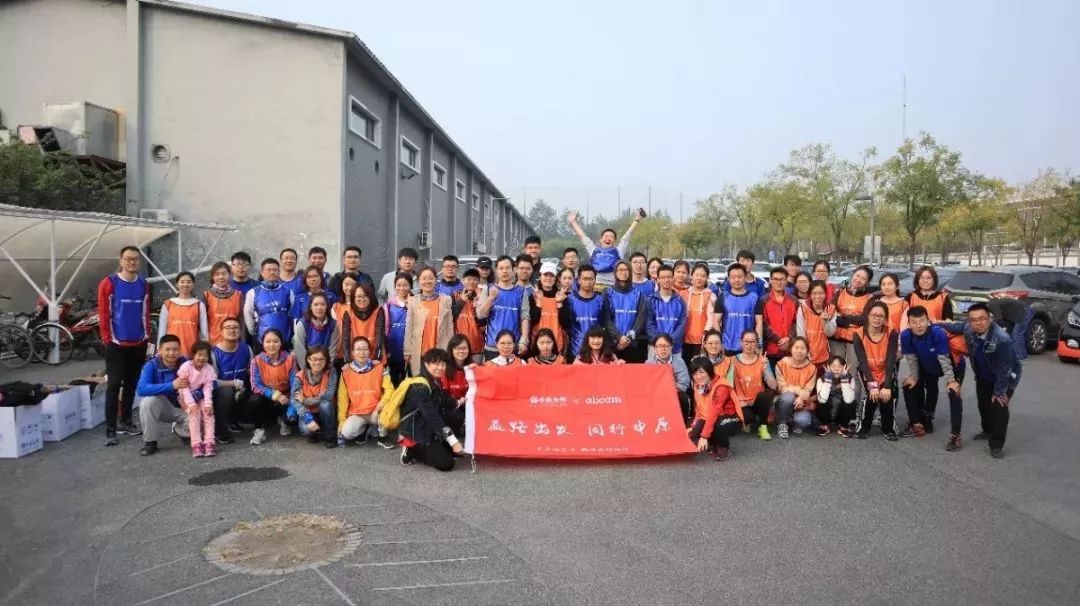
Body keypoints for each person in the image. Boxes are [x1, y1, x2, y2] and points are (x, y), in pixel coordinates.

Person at [938, 303, 1022, 458]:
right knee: (983, 404)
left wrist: (999, 391)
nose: (978, 323)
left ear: (989, 318)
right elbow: (954, 326)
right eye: (974, 319)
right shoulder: (968, 328)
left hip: (1006, 376)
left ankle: (996, 444)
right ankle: (987, 430)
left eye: (982, 318)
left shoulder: (1002, 339)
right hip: (983, 373)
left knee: (999, 405)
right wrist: (932, 324)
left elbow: (1005, 368)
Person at [98, 246, 152, 445]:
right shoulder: (109, 283)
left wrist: (147, 337)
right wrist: (108, 339)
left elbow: (145, 312)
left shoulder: (143, 284)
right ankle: (111, 429)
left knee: (131, 384)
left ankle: (126, 421)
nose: (132, 262)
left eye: (135, 259)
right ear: (121, 261)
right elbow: (104, 313)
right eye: (128, 259)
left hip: (138, 343)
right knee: (113, 386)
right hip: (116, 343)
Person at [900, 306, 962, 447]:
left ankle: (955, 434)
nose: (919, 325)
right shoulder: (906, 336)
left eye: (922, 321)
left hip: (953, 365)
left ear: (928, 320)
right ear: (908, 324)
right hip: (927, 364)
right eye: (914, 322)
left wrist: (951, 381)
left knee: (954, 394)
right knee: (910, 385)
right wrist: (914, 377)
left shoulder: (937, 333)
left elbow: (944, 360)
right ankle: (918, 422)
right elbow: (911, 359)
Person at [398, 349, 464, 471]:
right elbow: (432, 416)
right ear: (426, 364)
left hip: (427, 425)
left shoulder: (434, 381)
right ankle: (411, 449)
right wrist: (453, 441)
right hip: (417, 429)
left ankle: (440, 444)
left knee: (457, 416)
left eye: (443, 364)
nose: (440, 368)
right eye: (436, 364)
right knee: (446, 464)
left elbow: (446, 400)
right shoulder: (419, 386)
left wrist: (460, 401)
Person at [852, 301, 900, 441]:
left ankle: (888, 428)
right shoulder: (858, 334)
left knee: (886, 396)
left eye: (881, 316)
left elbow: (891, 361)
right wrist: (873, 385)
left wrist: (886, 386)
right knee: (872, 397)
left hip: (885, 369)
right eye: (874, 315)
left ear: (885, 318)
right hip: (868, 371)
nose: (877, 318)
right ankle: (864, 427)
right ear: (868, 315)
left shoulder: (891, 332)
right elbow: (862, 361)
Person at [135, 334, 189, 456]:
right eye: (167, 349)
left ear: (180, 350)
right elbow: (141, 389)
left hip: (185, 407)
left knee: (201, 425)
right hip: (164, 407)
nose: (171, 353)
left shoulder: (186, 363)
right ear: (160, 350)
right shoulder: (151, 365)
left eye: (175, 349)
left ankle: (180, 430)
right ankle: (150, 441)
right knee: (148, 402)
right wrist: (172, 385)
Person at [337, 336, 394, 448]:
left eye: (365, 349)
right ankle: (365, 429)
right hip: (357, 413)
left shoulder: (379, 367)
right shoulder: (346, 371)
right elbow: (342, 398)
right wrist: (341, 420)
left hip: (376, 411)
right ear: (353, 352)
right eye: (358, 349)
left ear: (369, 351)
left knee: (387, 413)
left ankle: (383, 437)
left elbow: (390, 390)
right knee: (347, 433)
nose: (362, 353)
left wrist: (382, 404)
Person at [567, 208, 644, 286]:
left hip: (612, 285)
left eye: (611, 237)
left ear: (615, 241)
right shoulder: (593, 250)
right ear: (601, 239)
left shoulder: (619, 251)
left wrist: (636, 220)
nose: (608, 239)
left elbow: (627, 236)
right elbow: (583, 237)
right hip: (595, 285)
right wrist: (573, 222)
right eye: (606, 236)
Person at [724, 330, 778, 441]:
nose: (749, 345)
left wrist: (766, 369)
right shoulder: (733, 360)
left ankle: (763, 426)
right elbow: (728, 386)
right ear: (741, 342)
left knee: (767, 395)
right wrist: (737, 401)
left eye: (753, 342)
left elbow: (773, 386)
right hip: (742, 402)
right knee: (748, 418)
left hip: (757, 401)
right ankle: (749, 420)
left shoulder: (762, 360)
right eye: (746, 341)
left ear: (757, 343)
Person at [248, 329, 297, 445]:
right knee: (254, 400)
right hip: (267, 397)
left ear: (281, 343)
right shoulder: (256, 361)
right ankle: (259, 429)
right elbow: (255, 386)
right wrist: (275, 394)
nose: (271, 345)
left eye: (275, 341)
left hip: (286, 397)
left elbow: (295, 384)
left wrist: (290, 402)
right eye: (268, 341)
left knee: (292, 420)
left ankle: (283, 420)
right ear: (262, 343)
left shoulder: (290, 359)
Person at [686, 357, 740, 461]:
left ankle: (723, 446)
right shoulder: (698, 386)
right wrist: (693, 426)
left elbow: (713, 413)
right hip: (711, 416)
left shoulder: (720, 386)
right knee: (693, 432)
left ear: (709, 371)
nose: (698, 376)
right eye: (695, 374)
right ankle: (713, 443)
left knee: (719, 424)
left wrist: (704, 436)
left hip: (730, 417)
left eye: (701, 372)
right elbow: (699, 409)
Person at [477, 256, 530, 359]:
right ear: (496, 270)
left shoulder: (521, 292)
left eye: (507, 268)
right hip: (492, 347)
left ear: (514, 270)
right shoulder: (488, 289)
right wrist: (490, 299)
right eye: (501, 268)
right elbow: (480, 315)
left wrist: (524, 340)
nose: (504, 271)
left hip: (513, 347)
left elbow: (525, 317)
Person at [404, 266, 454, 376]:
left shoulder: (445, 300)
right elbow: (409, 328)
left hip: (440, 349)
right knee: (420, 380)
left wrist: (450, 349)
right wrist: (407, 351)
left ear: (436, 280)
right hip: (419, 351)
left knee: (439, 380)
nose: (427, 281)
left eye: (431, 278)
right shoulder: (413, 301)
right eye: (424, 278)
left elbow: (449, 326)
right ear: (418, 281)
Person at [830, 265, 874, 387]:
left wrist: (843, 318)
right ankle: (836, 397)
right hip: (836, 338)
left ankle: (852, 398)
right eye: (857, 276)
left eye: (863, 278)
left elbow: (865, 319)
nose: (858, 280)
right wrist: (850, 320)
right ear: (853, 275)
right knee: (836, 371)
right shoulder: (840, 292)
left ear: (867, 282)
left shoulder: (869, 298)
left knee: (852, 373)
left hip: (855, 340)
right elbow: (831, 313)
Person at [210, 317, 251, 443]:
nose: (232, 330)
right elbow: (211, 382)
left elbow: (252, 373)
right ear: (221, 332)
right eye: (228, 328)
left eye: (235, 328)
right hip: (220, 392)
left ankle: (235, 421)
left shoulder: (247, 349)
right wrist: (232, 383)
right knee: (227, 392)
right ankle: (220, 431)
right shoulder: (213, 353)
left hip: (241, 390)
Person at [290, 345, 337, 448]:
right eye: (314, 359)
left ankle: (330, 435)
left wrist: (305, 401)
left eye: (321, 359)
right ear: (308, 359)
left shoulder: (331, 372)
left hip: (324, 410)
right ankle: (315, 433)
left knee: (326, 404)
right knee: (306, 430)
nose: (318, 362)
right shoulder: (300, 376)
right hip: (308, 411)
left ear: (326, 360)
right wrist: (308, 419)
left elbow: (328, 396)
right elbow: (295, 400)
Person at [176, 340, 217, 457]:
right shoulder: (186, 367)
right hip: (186, 396)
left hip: (200, 395)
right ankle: (196, 444)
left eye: (205, 355)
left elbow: (208, 388)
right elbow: (184, 388)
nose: (202, 358)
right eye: (199, 354)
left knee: (208, 414)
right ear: (193, 354)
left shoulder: (209, 369)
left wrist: (208, 404)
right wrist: (191, 404)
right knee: (194, 414)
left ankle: (209, 442)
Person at [244, 258, 294, 348]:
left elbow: (292, 313)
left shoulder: (288, 292)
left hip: (284, 338)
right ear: (262, 272)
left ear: (279, 272)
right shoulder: (253, 292)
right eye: (269, 270)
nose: (272, 272)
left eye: (275, 270)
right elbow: (248, 315)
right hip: (262, 339)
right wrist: (254, 332)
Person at [773, 337, 818, 438]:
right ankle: (782, 424)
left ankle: (791, 421)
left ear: (807, 351)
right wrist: (798, 391)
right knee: (789, 396)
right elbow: (782, 388)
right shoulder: (781, 364)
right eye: (796, 347)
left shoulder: (812, 368)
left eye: (803, 348)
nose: (799, 351)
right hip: (784, 400)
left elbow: (808, 390)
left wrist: (801, 397)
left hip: (801, 403)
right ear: (790, 349)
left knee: (804, 421)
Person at [605, 261, 649, 363]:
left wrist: (628, 338)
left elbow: (641, 318)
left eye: (626, 270)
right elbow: (606, 319)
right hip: (613, 344)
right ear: (615, 272)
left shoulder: (638, 293)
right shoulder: (607, 293)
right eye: (620, 270)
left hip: (632, 344)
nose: (624, 273)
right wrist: (619, 337)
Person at [714, 263, 762, 355]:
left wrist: (759, 345)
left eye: (740, 277)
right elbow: (716, 321)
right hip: (727, 346)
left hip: (749, 347)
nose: (736, 280)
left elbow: (759, 323)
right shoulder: (723, 297)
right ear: (728, 279)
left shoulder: (754, 298)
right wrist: (719, 342)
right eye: (733, 277)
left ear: (745, 278)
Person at [757, 266, 799, 369]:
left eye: (782, 279)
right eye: (775, 279)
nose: (778, 282)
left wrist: (789, 338)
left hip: (790, 349)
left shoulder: (793, 300)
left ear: (786, 280)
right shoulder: (763, 300)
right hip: (770, 351)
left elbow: (796, 322)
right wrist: (779, 341)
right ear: (770, 280)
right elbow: (763, 323)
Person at [158, 271, 208, 356]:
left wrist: (204, 351)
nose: (185, 284)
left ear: (193, 285)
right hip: (171, 352)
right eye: (182, 282)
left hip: (192, 351)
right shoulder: (168, 304)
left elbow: (204, 333)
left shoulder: (199, 305)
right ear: (177, 284)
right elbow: (162, 331)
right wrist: (160, 349)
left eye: (189, 282)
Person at [565, 265, 608, 360]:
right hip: (575, 350)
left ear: (595, 280)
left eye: (591, 279)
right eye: (585, 279)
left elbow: (604, 325)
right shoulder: (570, 299)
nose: (588, 282)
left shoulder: (600, 300)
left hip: (596, 352)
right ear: (578, 280)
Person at [647, 333, 692, 423]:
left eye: (666, 346)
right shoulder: (649, 363)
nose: (663, 349)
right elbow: (646, 384)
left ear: (671, 347)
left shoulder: (679, 362)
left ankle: (682, 425)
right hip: (655, 394)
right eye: (660, 346)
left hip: (674, 392)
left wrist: (667, 390)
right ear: (655, 348)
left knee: (683, 398)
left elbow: (684, 383)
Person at [529, 262, 571, 358]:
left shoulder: (562, 296)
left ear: (555, 278)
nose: (548, 278)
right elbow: (532, 320)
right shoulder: (533, 296)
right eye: (545, 275)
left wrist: (559, 303)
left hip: (557, 345)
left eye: (551, 275)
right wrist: (539, 303)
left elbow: (566, 323)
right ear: (540, 277)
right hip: (537, 346)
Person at [339, 282, 386, 364]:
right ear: (353, 297)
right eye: (359, 296)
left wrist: (377, 358)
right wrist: (348, 361)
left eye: (365, 296)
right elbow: (346, 339)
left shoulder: (378, 311)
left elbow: (380, 337)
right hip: (355, 357)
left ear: (370, 297)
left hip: (375, 356)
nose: (362, 299)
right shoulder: (348, 312)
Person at [646, 265, 687, 356]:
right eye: (663, 277)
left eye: (669, 277)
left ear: (673, 278)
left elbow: (682, 324)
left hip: (675, 347)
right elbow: (649, 324)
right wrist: (660, 342)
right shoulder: (650, 300)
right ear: (658, 280)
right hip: (655, 346)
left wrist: (670, 341)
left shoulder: (680, 301)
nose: (666, 280)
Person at [680, 262, 717, 364]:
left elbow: (711, 318)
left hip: (701, 339)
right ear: (691, 275)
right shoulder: (683, 294)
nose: (699, 278)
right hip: (683, 338)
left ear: (707, 278)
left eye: (703, 276)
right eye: (697, 275)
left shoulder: (710, 295)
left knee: (699, 367)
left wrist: (706, 335)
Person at [796, 281, 837, 368]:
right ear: (810, 295)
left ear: (825, 294)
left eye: (821, 293)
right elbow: (801, 333)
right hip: (807, 355)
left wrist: (825, 322)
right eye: (814, 293)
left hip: (825, 355)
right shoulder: (803, 309)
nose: (818, 296)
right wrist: (805, 353)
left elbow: (830, 333)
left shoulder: (831, 309)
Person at [816, 356, 857, 436]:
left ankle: (844, 426)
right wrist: (828, 380)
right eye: (833, 366)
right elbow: (822, 400)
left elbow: (849, 400)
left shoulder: (850, 379)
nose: (836, 369)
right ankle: (824, 425)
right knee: (820, 400)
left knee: (851, 401)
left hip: (841, 413)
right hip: (827, 413)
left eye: (840, 366)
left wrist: (844, 381)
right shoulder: (821, 380)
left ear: (844, 367)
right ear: (828, 367)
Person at [204, 261, 244, 345]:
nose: (221, 277)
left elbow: (242, 321)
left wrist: (242, 342)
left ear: (230, 275)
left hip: (233, 342)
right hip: (213, 343)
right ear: (212, 277)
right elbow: (202, 322)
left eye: (224, 274)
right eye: (217, 274)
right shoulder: (206, 295)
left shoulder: (238, 295)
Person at [292, 293, 336, 368]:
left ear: (327, 306)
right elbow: (299, 349)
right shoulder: (302, 324)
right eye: (315, 305)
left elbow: (332, 350)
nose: (319, 308)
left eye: (322, 304)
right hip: (307, 365)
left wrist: (326, 368)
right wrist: (307, 369)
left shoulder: (333, 325)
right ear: (310, 307)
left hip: (326, 365)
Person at [384, 273, 411, 385]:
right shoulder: (389, 304)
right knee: (394, 377)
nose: (401, 288)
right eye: (398, 285)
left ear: (410, 286)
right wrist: (386, 348)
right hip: (394, 345)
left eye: (405, 285)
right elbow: (386, 327)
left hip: (410, 346)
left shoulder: (415, 302)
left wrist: (410, 307)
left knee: (408, 378)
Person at [454, 269, 485, 364]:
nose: (471, 282)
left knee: (476, 372)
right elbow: (451, 316)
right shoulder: (454, 296)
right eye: (469, 279)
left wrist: (479, 303)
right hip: (458, 346)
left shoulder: (483, 297)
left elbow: (483, 323)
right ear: (463, 281)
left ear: (479, 282)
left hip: (477, 346)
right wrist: (462, 301)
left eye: (475, 279)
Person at [441, 335, 474, 402]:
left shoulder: (473, 367)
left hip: (469, 404)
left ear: (469, 350)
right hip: (451, 405)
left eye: (464, 348)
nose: (461, 351)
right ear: (451, 350)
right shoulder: (444, 369)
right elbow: (444, 394)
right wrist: (457, 402)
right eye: (457, 348)